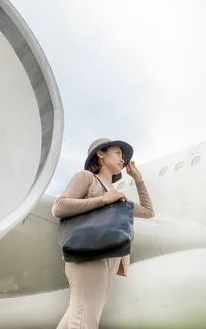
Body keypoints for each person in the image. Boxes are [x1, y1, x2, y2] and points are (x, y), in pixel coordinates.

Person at [52, 138, 155, 329]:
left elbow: (149, 212)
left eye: (123, 156)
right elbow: (59, 207)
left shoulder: (117, 195)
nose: (122, 159)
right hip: (89, 255)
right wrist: (103, 200)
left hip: (110, 257)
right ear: (100, 154)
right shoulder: (86, 177)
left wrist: (138, 180)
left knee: (77, 318)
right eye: (117, 153)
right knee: (84, 320)